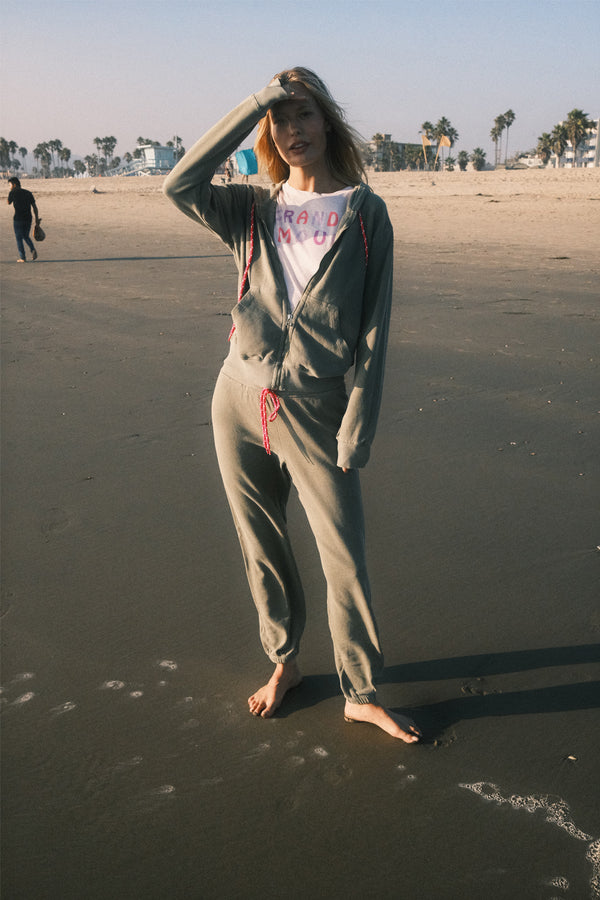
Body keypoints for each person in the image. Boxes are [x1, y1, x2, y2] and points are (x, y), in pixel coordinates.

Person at [164, 67, 421, 743]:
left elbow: (375, 329)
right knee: (262, 543)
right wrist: (257, 100)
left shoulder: (366, 215)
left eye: (303, 113)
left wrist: (358, 424)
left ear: (327, 122)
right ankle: (284, 661)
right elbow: (179, 184)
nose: (292, 129)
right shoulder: (252, 208)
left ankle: (360, 692)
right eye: (279, 120)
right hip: (238, 397)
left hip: (315, 408)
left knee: (345, 558)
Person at [7, 177, 39, 262]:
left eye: (10, 185)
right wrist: (37, 219)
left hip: (18, 218)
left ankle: (22, 257)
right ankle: (32, 249)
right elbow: (34, 207)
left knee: (19, 238)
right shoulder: (28, 193)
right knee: (25, 235)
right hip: (28, 218)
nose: (9, 187)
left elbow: (8, 202)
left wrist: (10, 193)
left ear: (14, 184)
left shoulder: (12, 192)